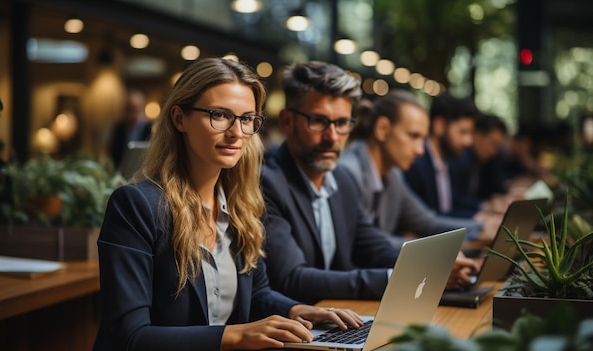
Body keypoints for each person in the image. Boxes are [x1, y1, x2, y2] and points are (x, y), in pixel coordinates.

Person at [94, 58, 363, 351]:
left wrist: (296, 310)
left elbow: (257, 293)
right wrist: (235, 336)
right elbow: (129, 337)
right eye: (220, 115)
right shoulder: (135, 206)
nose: (236, 133)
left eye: (247, 119)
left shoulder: (242, 204)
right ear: (179, 118)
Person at [261, 61, 479, 305]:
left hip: (340, 318)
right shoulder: (268, 183)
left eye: (342, 123)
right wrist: (398, 278)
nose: (332, 137)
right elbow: (292, 278)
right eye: (319, 121)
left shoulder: (340, 180)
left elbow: (375, 246)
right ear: (287, 122)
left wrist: (434, 262)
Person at [338, 91, 482, 242]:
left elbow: (428, 223)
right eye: (413, 136)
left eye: (422, 139)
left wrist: (480, 228)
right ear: (382, 129)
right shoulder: (348, 173)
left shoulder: (394, 175)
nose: (420, 150)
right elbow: (368, 246)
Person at [403, 92, 479, 218]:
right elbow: (426, 220)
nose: (469, 141)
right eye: (463, 132)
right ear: (439, 126)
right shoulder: (414, 163)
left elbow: (453, 206)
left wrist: (484, 211)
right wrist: (479, 223)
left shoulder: (452, 161)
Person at [449, 113, 509, 215]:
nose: (494, 152)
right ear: (476, 136)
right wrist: (486, 205)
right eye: (492, 144)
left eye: (497, 146)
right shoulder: (459, 159)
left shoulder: (483, 162)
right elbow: (455, 201)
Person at [108, 88, 153, 167]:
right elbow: (113, 152)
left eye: (133, 108)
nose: (130, 113)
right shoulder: (119, 128)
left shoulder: (150, 128)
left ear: (141, 107)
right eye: (128, 109)